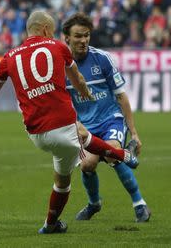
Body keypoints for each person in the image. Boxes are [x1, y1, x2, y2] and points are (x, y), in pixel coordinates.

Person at [0, 10, 138, 234]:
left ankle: (50, 225)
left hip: (37, 134)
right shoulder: (58, 47)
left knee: (62, 181)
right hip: (63, 125)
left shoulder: (9, 56)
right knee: (83, 134)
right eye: (51, 30)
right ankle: (124, 156)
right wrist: (85, 92)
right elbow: (78, 79)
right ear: (44, 29)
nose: (53, 34)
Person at [62, 12, 151, 222]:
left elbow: (121, 96)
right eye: (78, 36)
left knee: (112, 154)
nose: (83, 40)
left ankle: (140, 204)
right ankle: (94, 204)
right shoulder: (60, 66)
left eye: (86, 35)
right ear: (66, 37)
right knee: (87, 165)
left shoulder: (102, 59)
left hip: (111, 119)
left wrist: (135, 133)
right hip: (85, 127)